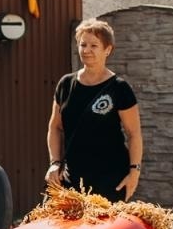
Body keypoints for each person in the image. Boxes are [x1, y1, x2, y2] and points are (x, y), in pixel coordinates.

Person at [45, 19, 143, 201]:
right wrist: (54, 163)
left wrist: (134, 173)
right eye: (83, 44)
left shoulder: (119, 88)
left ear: (108, 50)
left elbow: (134, 133)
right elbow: (55, 128)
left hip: (110, 180)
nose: (86, 50)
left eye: (94, 45)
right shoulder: (65, 84)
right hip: (70, 179)